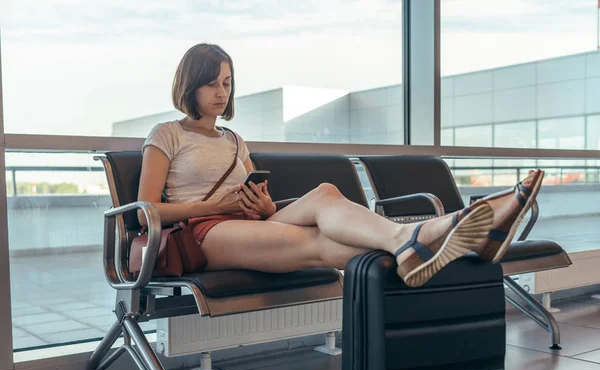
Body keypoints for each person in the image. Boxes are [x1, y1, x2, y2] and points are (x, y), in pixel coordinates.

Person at [137, 43, 545, 287]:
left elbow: (264, 204)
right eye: (212, 83)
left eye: (227, 82)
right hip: (200, 232)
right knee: (312, 242)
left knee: (326, 194)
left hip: (248, 223)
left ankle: (423, 241)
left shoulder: (234, 139)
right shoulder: (167, 134)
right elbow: (146, 212)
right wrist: (217, 208)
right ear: (190, 85)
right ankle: (439, 239)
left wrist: (264, 207)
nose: (221, 92)